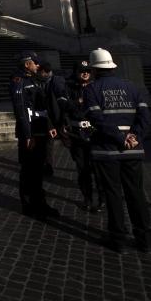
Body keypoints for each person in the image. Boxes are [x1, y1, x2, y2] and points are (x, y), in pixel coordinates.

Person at [84, 48, 151, 253]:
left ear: (94, 69)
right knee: (136, 193)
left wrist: (120, 137)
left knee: (113, 194)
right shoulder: (131, 87)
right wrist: (134, 136)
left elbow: (98, 119)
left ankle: (118, 238)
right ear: (112, 66)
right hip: (133, 149)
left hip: (107, 150)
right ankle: (145, 238)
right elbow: (145, 117)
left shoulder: (92, 89)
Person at [8, 51, 60, 220]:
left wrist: (50, 126)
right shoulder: (19, 81)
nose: (38, 65)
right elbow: (21, 109)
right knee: (28, 169)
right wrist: (27, 134)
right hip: (29, 133)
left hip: (39, 130)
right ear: (26, 64)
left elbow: (41, 107)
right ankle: (29, 205)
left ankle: (40, 202)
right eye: (35, 63)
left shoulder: (33, 80)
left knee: (38, 169)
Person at [61, 60, 104, 212]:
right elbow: (65, 106)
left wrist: (81, 103)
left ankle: (101, 198)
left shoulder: (97, 86)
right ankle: (87, 197)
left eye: (88, 71)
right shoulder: (69, 86)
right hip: (77, 134)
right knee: (82, 169)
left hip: (95, 133)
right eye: (81, 71)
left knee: (98, 168)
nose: (85, 73)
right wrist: (78, 103)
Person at [38, 62, 67, 177]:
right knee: (48, 143)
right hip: (50, 118)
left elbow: (62, 101)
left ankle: (83, 163)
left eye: (40, 72)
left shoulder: (56, 81)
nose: (39, 74)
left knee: (68, 141)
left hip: (59, 118)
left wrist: (64, 119)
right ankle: (48, 167)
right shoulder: (45, 82)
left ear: (44, 72)